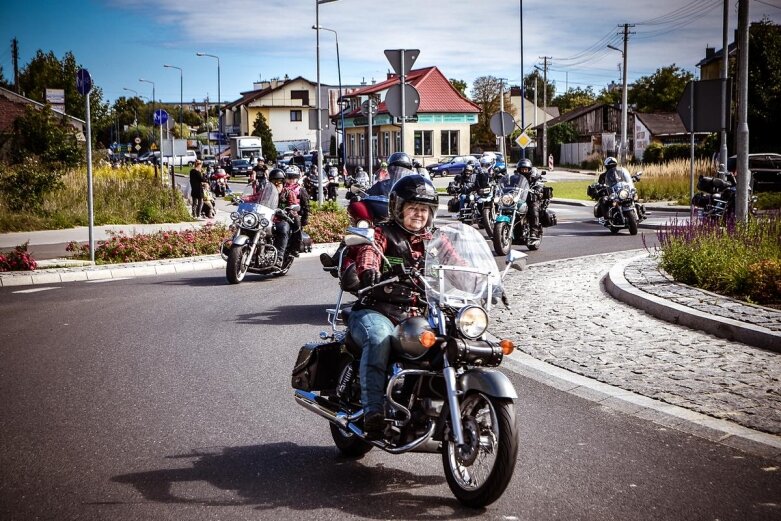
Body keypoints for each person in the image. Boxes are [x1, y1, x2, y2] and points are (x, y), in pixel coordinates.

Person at [347, 174, 439, 438]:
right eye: (413, 208)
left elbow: (457, 262)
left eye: (423, 209)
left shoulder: (435, 240)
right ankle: (373, 411)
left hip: (419, 314)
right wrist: (368, 270)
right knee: (379, 339)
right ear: (399, 209)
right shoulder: (383, 232)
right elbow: (370, 251)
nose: (419, 215)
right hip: (378, 310)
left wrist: (479, 282)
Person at [268, 168, 299, 266]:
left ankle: (279, 258)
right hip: (267, 219)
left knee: (283, 229)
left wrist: (290, 210)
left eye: (278, 182)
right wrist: (243, 199)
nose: (276, 185)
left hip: (282, 219)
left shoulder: (289, 193)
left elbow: (293, 205)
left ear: (283, 182)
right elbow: (255, 197)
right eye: (273, 182)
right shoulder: (266, 192)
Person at [283, 166, 309, 257]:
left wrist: (305, 219)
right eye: (289, 177)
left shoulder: (300, 190)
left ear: (298, 178)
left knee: (297, 225)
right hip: (281, 213)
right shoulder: (281, 188)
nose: (291, 180)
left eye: (294, 177)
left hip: (295, 214)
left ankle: (295, 248)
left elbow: (306, 206)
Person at [516, 158, 542, 239]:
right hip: (519, 198)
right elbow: (509, 184)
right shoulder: (516, 177)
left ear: (529, 169)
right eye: (522, 169)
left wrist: (537, 190)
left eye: (526, 169)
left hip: (531, 199)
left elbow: (539, 184)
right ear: (519, 169)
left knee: (533, 210)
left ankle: (534, 232)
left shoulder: (534, 177)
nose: (524, 171)